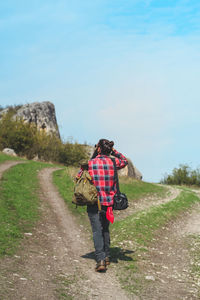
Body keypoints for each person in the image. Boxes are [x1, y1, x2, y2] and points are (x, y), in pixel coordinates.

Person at [78, 139, 128, 272]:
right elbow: (124, 161)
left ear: (98, 149)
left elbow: (78, 176)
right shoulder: (113, 162)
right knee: (105, 229)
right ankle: (106, 256)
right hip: (109, 202)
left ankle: (100, 260)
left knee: (96, 230)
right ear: (109, 149)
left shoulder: (90, 163)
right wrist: (114, 152)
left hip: (94, 201)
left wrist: (94, 155)